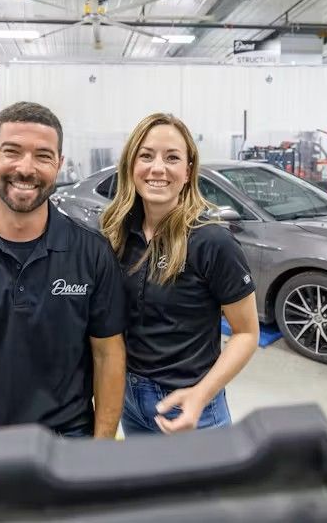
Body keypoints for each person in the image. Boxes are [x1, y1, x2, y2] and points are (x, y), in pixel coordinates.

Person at [0, 102, 127, 451]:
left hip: (71, 440)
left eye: (43, 156)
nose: (25, 168)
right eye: (11, 151)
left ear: (58, 164)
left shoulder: (91, 253)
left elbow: (108, 354)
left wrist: (100, 448)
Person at [100, 113, 260, 435]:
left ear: (187, 172)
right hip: (128, 399)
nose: (158, 168)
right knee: (149, 486)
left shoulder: (211, 241)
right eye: (146, 156)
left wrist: (202, 395)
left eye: (172, 157)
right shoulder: (116, 234)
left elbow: (246, 333)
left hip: (193, 407)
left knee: (205, 488)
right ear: (131, 166)